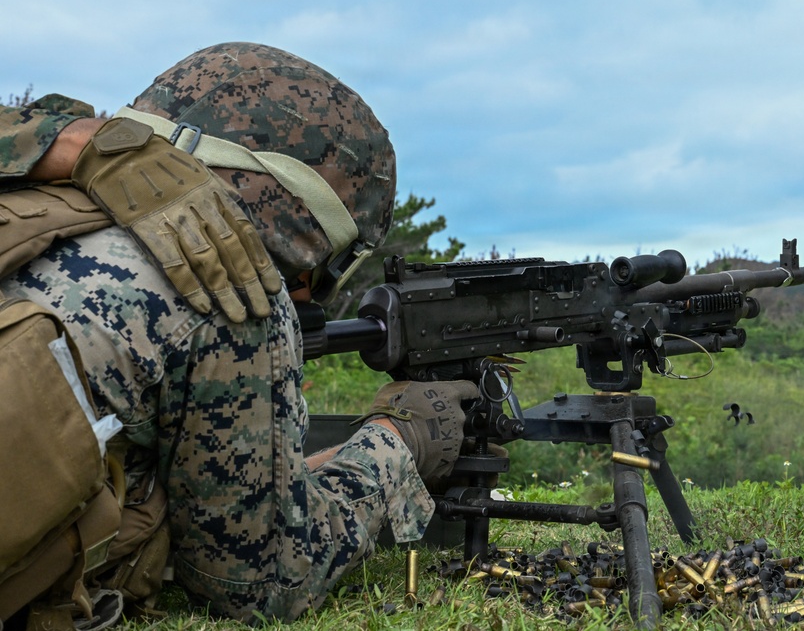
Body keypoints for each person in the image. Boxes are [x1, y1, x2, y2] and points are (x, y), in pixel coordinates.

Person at [0, 43, 478, 624]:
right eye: (322, 270)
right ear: (300, 219)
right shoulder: (225, 285)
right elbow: (264, 582)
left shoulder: (30, 193)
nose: (308, 292)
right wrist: (400, 441)